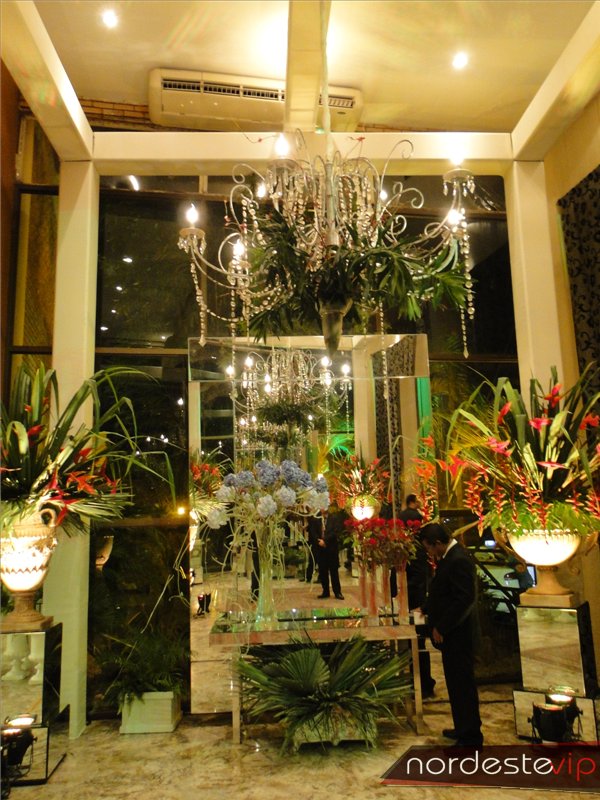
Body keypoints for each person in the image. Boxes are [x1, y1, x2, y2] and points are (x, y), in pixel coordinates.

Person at [421, 521, 483, 748]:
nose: (429, 553)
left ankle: (471, 737)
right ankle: (462, 727)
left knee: (463, 685)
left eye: (429, 548)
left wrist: (442, 627)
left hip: (459, 635)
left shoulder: (459, 560)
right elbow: (443, 591)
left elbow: (464, 599)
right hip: (452, 636)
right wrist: (425, 608)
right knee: (455, 685)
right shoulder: (449, 557)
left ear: (437, 543)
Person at [308, 506, 346, 600]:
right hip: (320, 549)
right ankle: (325, 591)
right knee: (323, 571)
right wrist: (319, 541)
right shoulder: (315, 518)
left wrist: (325, 541)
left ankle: (337, 592)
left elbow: (336, 532)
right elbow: (312, 532)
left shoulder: (334, 518)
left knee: (334, 571)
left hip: (331, 548)